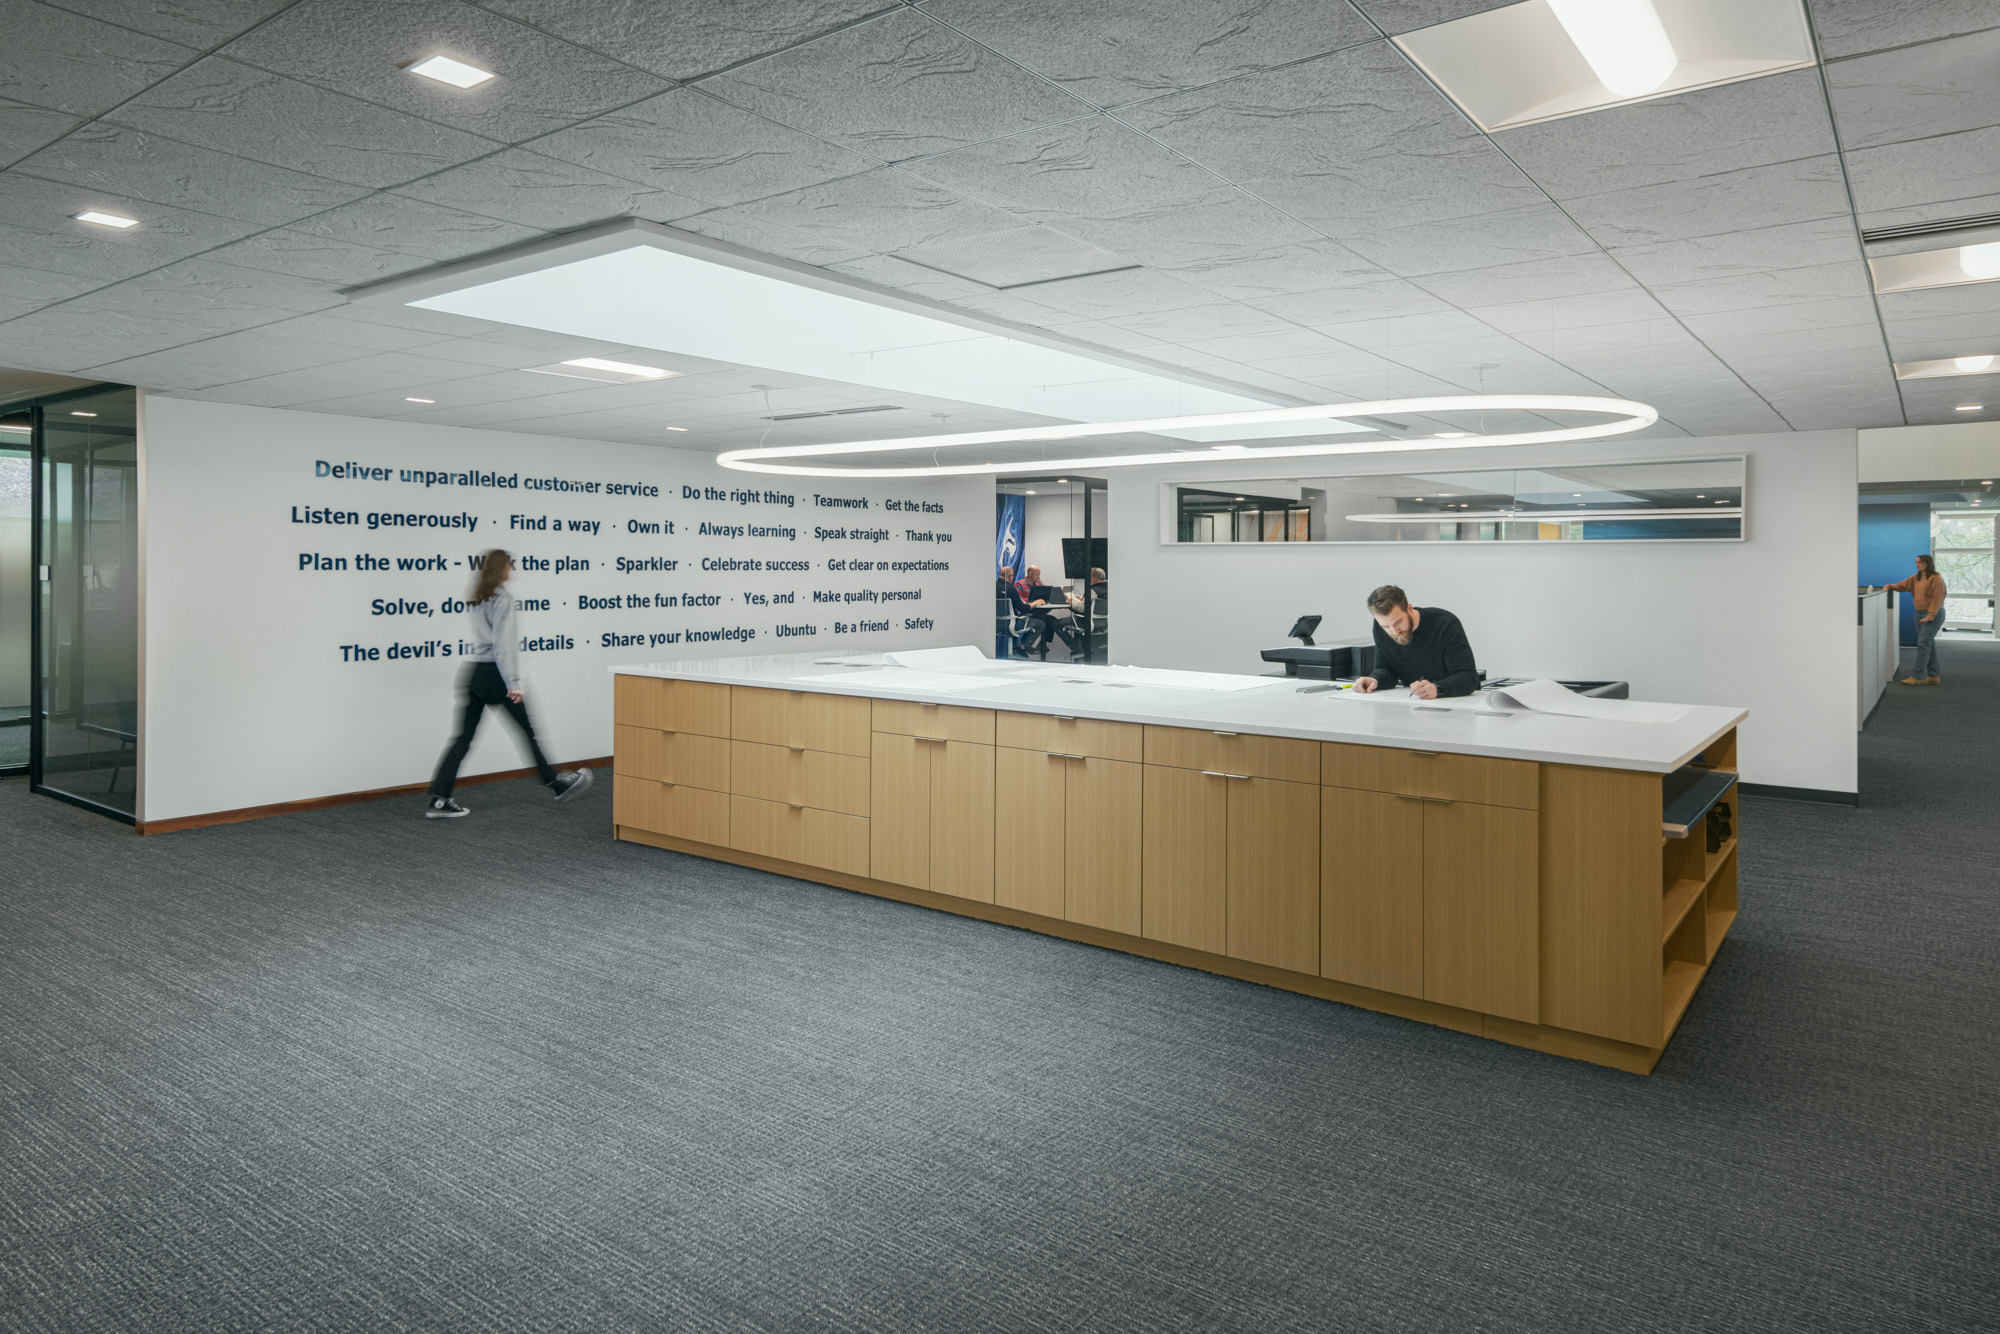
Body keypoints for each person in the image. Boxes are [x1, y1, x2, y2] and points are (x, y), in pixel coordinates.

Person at [426, 549, 593, 817]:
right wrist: (513, 682)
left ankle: (439, 799)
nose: (512, 569)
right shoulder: (502, 599)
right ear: (499, 567)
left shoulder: (478, 596)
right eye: (508, 564)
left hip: (474, 672)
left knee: (462, 738)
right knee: (527, 730)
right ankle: (555, 783)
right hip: (496, 674)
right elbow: (504, 645)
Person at [1351, 584, 1479, 699]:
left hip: (1454, 704)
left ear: (1409, 609)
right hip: (1414, 704)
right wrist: (1374, 679)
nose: (1394, 632)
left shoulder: (1445, 623)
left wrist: (1437, 688)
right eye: (1386, 627)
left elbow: (1468, 678)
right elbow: (1386, 670)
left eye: (1398, 622)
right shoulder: (1380, 627)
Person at [1885, 553, 1947, 685]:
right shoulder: (1916, 578)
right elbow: (1901, 586)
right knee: (1928, 643)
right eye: (1916, 562)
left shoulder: (1936, 579)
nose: (1917, 564)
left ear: (1927, 564)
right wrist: (1890, 586)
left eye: (1920, 562)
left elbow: (1937, 599)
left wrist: (1930, 616)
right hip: (1919, 613)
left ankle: (1917, 676)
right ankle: (1933, 675)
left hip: (1934, 615)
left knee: (1923, 644)